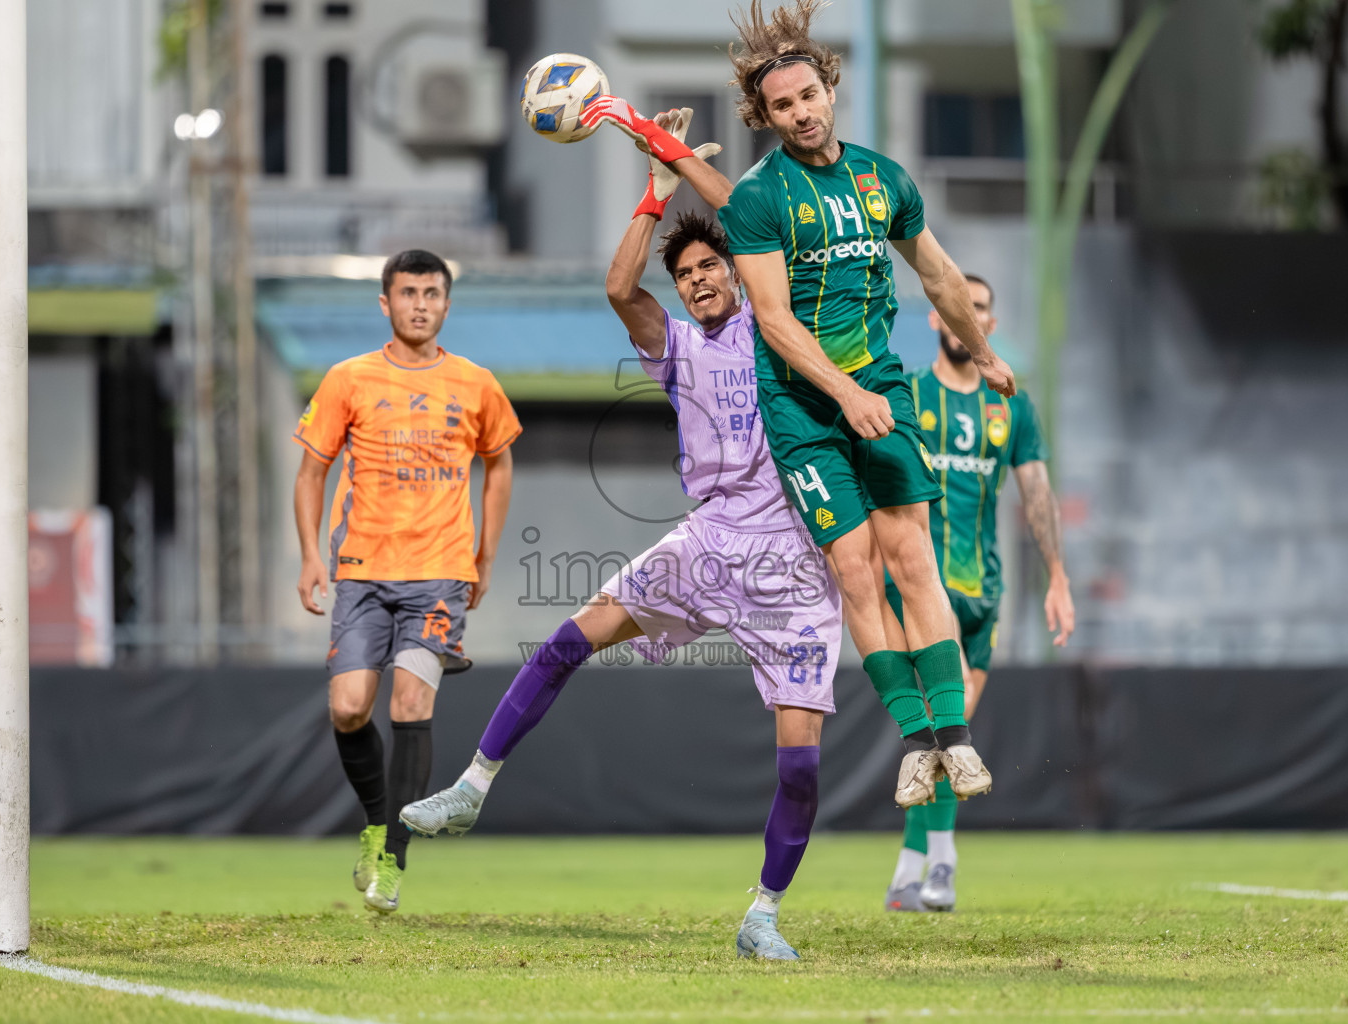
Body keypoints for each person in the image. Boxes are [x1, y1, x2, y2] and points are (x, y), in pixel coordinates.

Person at [400, 110, 843, 961]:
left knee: (800, 764)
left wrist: (679, 161)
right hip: (707, 543)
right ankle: (472, 785)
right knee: (569, 638)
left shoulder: (777, 326)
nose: (701, 280)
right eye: (688, 274)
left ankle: (763, 915)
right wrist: (652, 195)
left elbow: (769, 238)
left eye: (713, 266)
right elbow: (617, 289)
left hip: (793, 562)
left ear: (738, 275)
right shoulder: (675, 346)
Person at [577, 0, 1016, 809]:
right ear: (766, 116)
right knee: (856, 572)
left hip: (876, 386)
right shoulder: (760, 193)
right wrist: (844, 394)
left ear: (829, 89)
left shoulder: (884, 179)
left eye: (808, 95)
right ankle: (914, 742)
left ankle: (953, 737)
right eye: (782, 105)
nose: (801, 111)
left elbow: (942, 278)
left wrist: (982, 352)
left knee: (912, 559)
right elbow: (771, 319)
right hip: (805, 407)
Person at [293, 249, 520, 914]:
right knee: (349, 708)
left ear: (447, 304)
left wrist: (483, 554)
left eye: (431, 293)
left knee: (411, 707)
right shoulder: (348, 379)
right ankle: (375, 820)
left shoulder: (477, 384)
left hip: (440, 575)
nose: (420, 303)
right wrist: (311, 556)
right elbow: (311, 473)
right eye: (408, 292)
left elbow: (499, 465)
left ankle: (393, 856)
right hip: (361, 571)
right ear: (385, 303)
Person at [882, 275, 1075, 913]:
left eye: (982, 308)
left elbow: (1037, 491)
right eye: (958, 306)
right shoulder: (907, 394)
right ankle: (939, 867)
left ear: (988, 323)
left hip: (984, 594)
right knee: (944, 731)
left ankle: (913, 872)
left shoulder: (1011, 406)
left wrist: (1057, 576)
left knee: (945, 739)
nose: (970, 317)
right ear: (939, 318)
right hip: (921, 594)